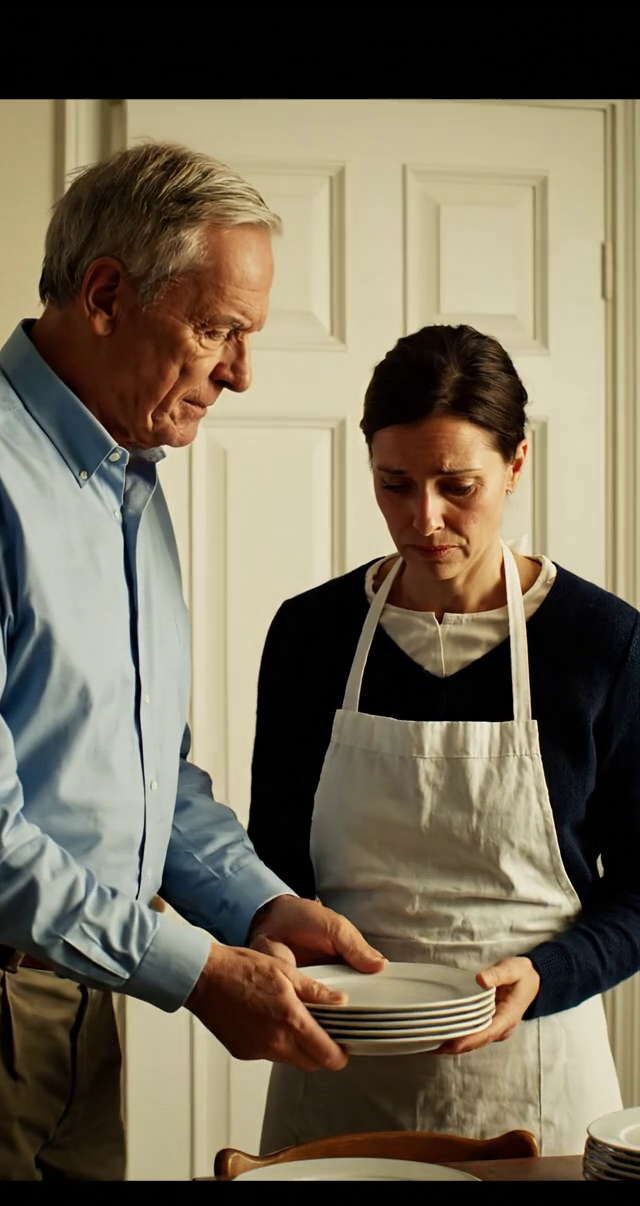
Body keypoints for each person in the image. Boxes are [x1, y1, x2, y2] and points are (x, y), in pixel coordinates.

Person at [0, 141, 384, 1181]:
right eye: (219, 328)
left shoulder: (131, 482)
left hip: (89, 1005)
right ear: (104, 294)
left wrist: (259, 907)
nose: (241, 372)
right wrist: (198, 969)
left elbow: (151, 780)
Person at [250, 323, 640, 1157]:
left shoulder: (602, 643)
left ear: (516, 465)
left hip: (532, 1075)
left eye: (456, 485)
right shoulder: (311, 636)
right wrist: (265, 943)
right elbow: (274, 859)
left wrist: (546, 979)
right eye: (394, 485)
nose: (423, 519)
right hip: (339, 1066)